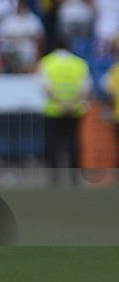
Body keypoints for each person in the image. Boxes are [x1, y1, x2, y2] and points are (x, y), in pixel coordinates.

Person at [38, 41, 92, 183]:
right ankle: (75, 176)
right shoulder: (79, 63)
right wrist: (71, 104)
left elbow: (45, 87)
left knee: (53, 144)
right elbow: (85, 88)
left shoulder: (47, 61)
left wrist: (61, 103)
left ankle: (54, 177)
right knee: (73, 142)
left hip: (54, 110)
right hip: (74, 110)